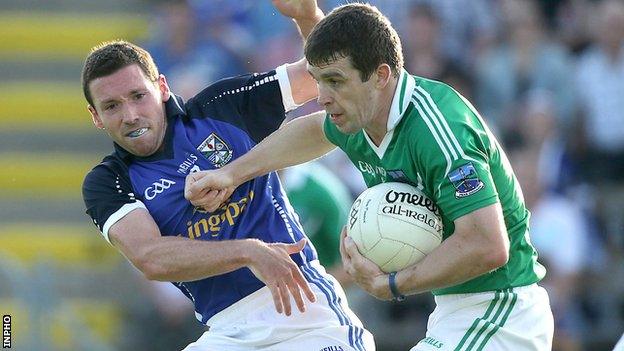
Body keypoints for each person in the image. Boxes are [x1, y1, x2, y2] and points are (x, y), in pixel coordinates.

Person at [185, 3, 554, 350]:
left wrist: (391, 284)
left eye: (334, 81)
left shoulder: (438, 128)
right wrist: (231, 173)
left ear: (380, 76)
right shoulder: (364, 116)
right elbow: (312, 130)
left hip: (503, 309)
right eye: (318, 81)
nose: (323, 97)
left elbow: (488, 245)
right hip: (452, 310)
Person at [80, 1, 374, 350]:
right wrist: (249, 252)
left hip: (305, 312)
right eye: (111, 106)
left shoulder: (221, 107)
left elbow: (325, 78)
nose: (129, 115)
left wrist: (306, 17)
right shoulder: (107, 181)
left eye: (137, 96)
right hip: (226, 330)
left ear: (161, 88)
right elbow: (151, 257)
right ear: (96, 117)